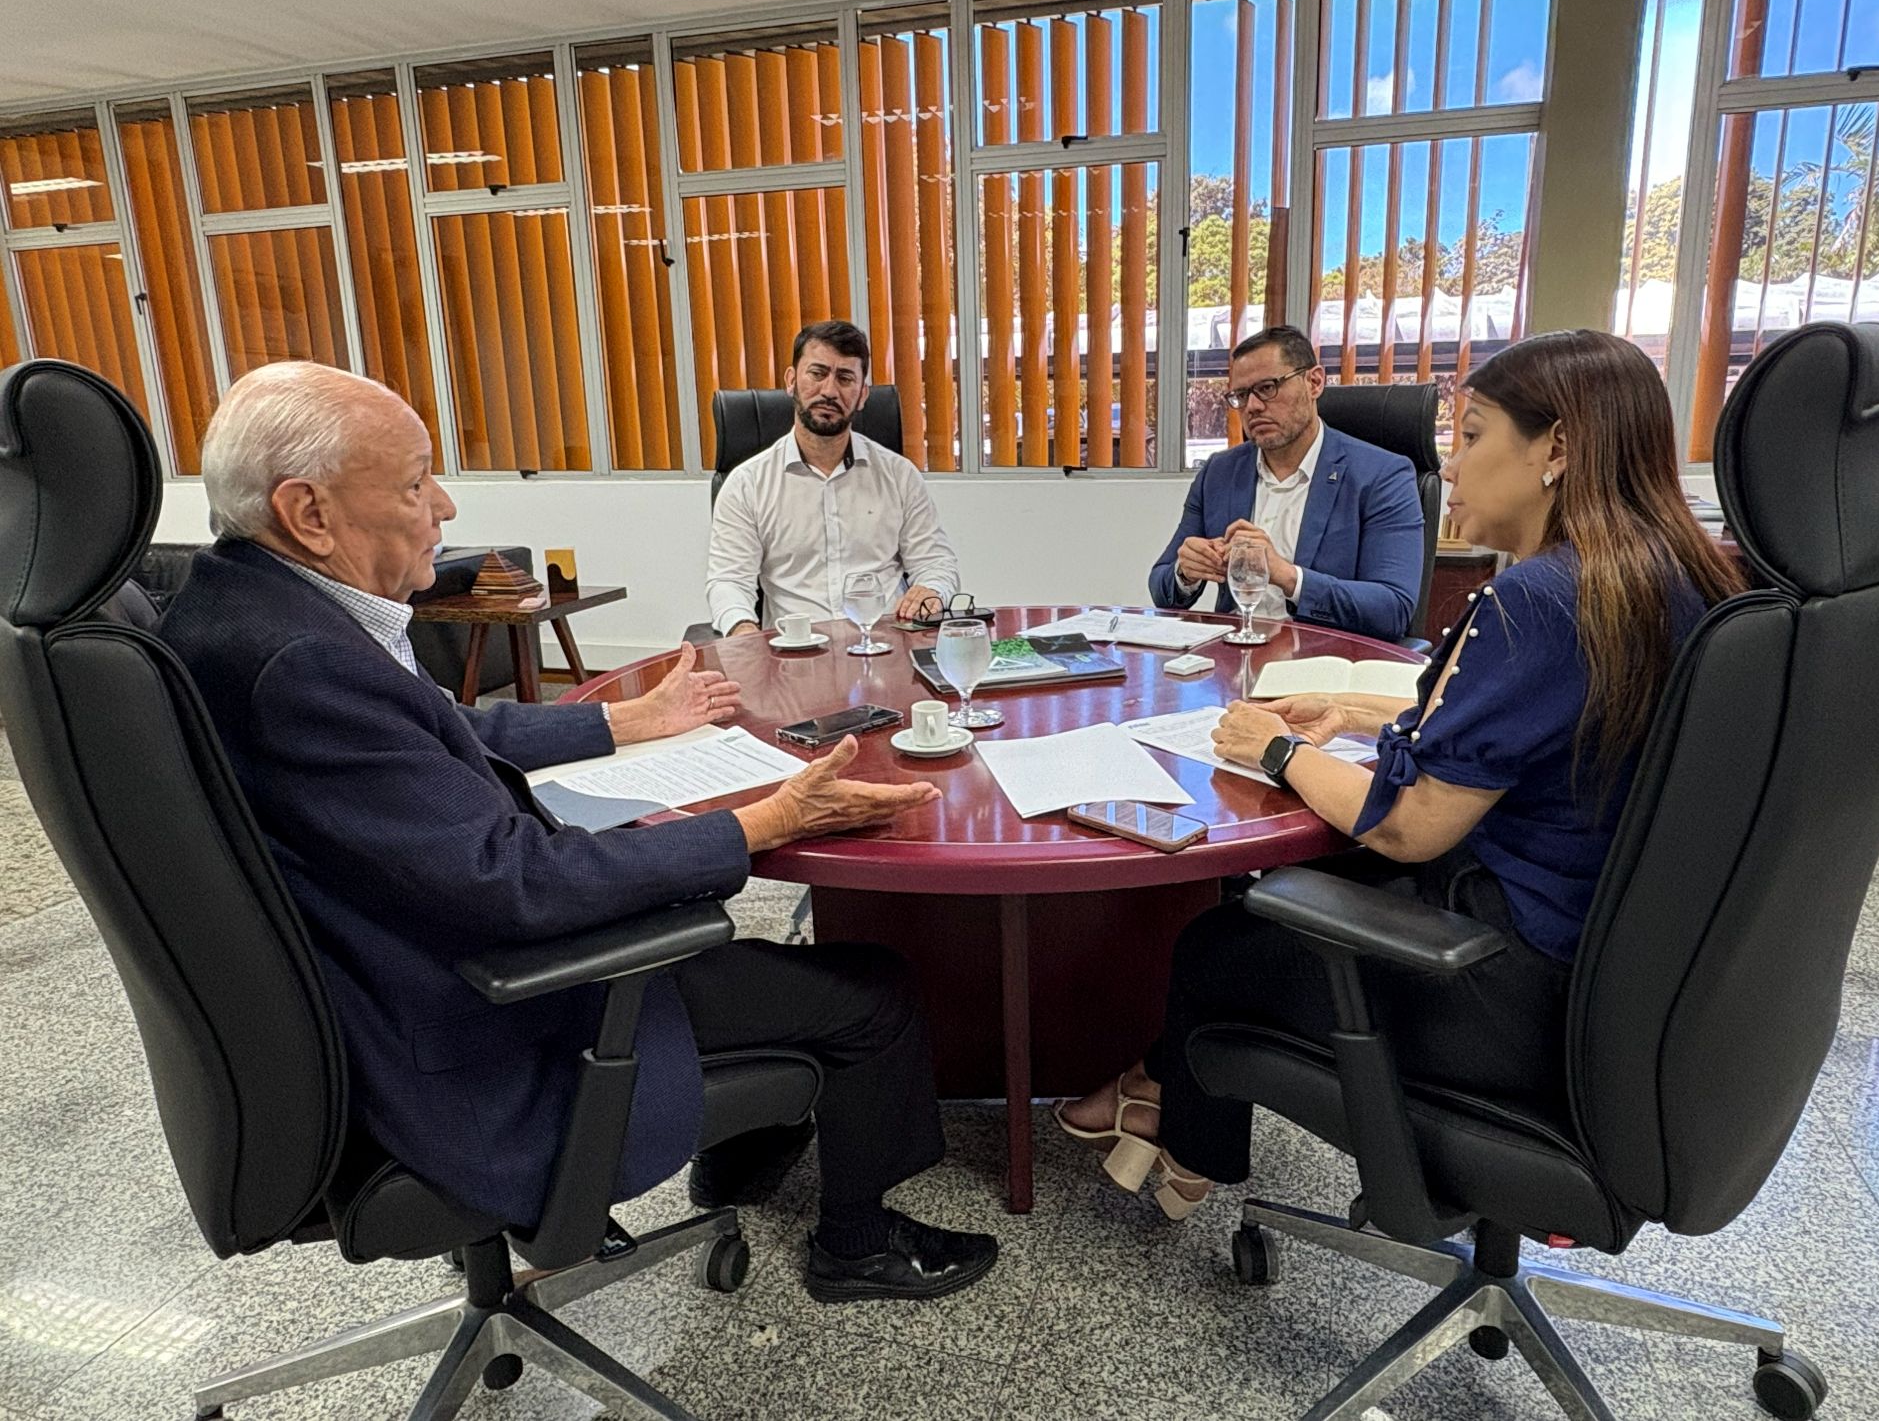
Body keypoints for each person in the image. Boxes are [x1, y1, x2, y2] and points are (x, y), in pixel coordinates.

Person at [161, 362, 998, 1304]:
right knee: (872, 990)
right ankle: (855, 1246)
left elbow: (443, 730)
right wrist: (764, 820)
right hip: (488, 1020)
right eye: (413, 483)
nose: (444, 505)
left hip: (411, 967)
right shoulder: (304, 664)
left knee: (756, 958)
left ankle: (739, 1163)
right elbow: (513, 882)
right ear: (307, 512)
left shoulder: (243, 610)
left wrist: (624, 721)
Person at [1062, 329, 1744, 1217]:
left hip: (1505, 984)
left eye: (1474, 436)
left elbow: (1407, 825)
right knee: (1296, 883)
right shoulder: (1664, 574)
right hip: (1608, 973)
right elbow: (1530, 734)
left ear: (1558, 448)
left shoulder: (1535, 601)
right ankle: (1158, 1106)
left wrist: (1277, 750)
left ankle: (1187, 1145)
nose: (1449, 467)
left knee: (1215, 943)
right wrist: (1350, 716)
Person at [1148, 325, 1426, 640]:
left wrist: (1287, 576)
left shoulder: (1382, 475)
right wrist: (1185, 573)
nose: (1253, 406)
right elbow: (1161, 587)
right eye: (1242, 395)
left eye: (1267, 387)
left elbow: (1392, 609)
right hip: (1231, 654)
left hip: (1323, 658)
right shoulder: (1220, 472)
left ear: (1314, 382)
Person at [706, 321, 961, 637]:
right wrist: (742, 629)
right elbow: (728, 580)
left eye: (845, 378)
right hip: (794, 652)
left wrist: (931, 590)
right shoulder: (747, 484)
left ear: (862, 395)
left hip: (887, 647)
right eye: (817, 373)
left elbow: (936, 563)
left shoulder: (899, 475)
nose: (829, 391)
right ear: (791, 381)